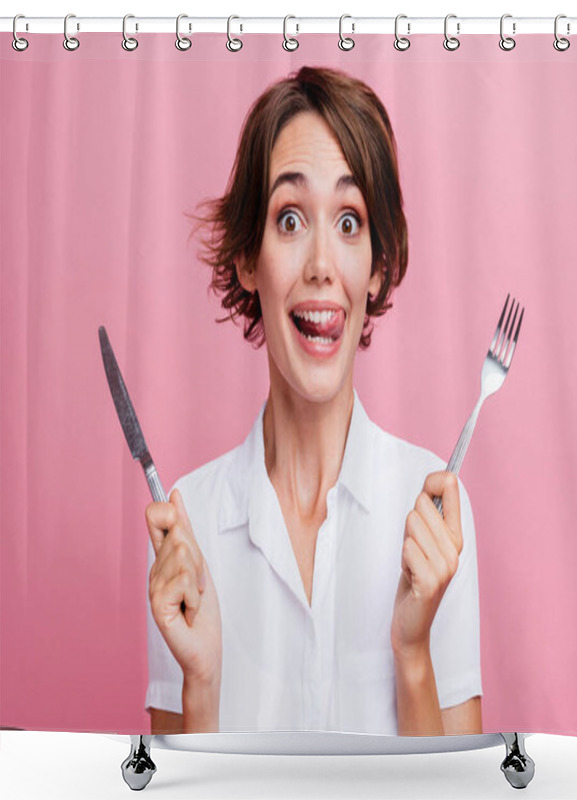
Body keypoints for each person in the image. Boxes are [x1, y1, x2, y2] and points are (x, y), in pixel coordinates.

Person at [143, 66, 482, 736]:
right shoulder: (187, 525)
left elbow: (457, 788)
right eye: (291, 218)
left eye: (351, 222)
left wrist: (412, 654)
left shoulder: (436, 509)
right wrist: (200, 685)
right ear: (248, 258)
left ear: (379, 266)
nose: (323, 263)